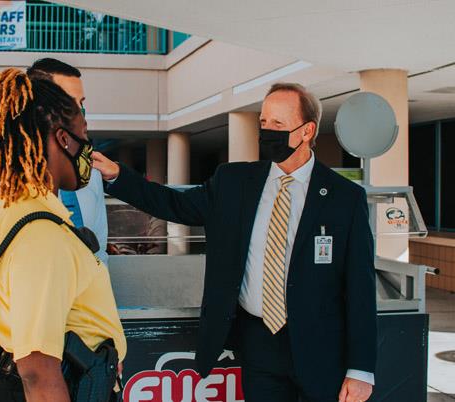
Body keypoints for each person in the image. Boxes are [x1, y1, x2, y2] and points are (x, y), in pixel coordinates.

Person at [93, 83, 377, 402]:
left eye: (278, 125)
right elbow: (173, 204)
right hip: (259, 344)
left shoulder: (345, 198)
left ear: (307, 130)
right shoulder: (234, 182)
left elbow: (360, 289)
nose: (267, 132)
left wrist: (361, 369)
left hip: (323, 349)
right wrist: (117, 175)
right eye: (264, 123)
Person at [0, 58, 109, 400]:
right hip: (21, 374)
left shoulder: (90, 179)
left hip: (83, 368)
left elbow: (99, 262)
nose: (79, 112)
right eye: (68, 101)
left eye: (81, 104)